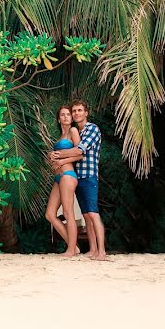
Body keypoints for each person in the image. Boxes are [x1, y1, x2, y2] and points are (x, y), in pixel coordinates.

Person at [51, 100, 108, 260]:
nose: (75, 114)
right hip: (79, 175)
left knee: (93, 213)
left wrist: (60, 157)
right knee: (86, 215)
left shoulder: (91, 129)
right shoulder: (79, 132)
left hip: (89, 175)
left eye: (78, 111)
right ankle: (93, 249)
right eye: (73, 111)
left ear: (86, 112)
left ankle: (101, 251)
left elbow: (80, 151)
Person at [44, 105, 80, 257]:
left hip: (68, 175)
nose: (66, 117)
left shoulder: (73, 131)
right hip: (58, 177)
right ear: (59, 119)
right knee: (50, 214)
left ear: (71, 119)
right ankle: (74, 247)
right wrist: (51, 156)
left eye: (68, 115)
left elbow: (80, 154)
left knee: (67, 213)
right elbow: (57, 156)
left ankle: (71, 250)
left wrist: (62, 161)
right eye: (63, 115)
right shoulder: (60, 137)